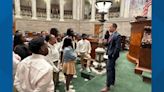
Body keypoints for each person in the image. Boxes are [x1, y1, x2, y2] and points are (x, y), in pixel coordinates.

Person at [101, 23, 121, 92]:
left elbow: (117, 47)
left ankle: (107, 87)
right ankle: (112, 81)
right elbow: (108, 44)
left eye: (110, 27)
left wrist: (113, 55)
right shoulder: (111, 35)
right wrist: (105, 41)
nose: (109, 28)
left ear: (114, 28)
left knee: (109, 70)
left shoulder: (117, 35)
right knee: (112, 68)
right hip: (110, 54)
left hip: (112, 55)